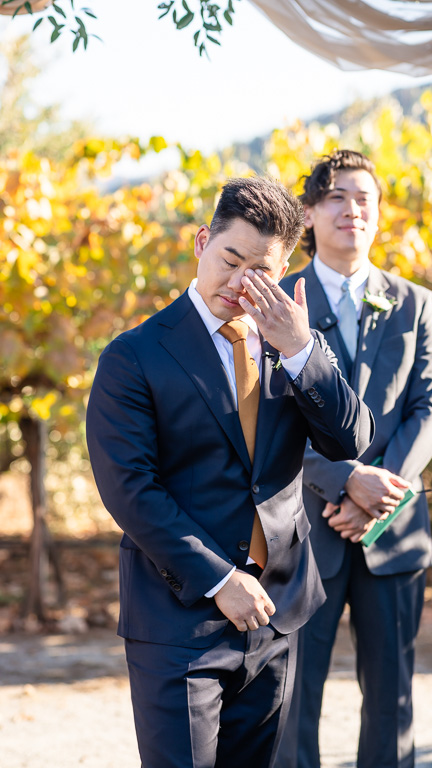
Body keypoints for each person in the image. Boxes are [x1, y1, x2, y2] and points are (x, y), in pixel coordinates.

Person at [86, 176, 374, 768]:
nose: (241, 282)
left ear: (285, 269)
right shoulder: (133, 356)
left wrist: (300, 351)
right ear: (200, 243)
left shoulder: (292, 344)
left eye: (260, 271)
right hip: (178, 621)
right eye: (230, 259)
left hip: (277, 613)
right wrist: (220, 579)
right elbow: (130, 489)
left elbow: (351, 439)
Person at [275, 150, 432, 768]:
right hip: (305, 533)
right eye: (337, 197)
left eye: (364, 198)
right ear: (311, 213)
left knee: (391, 700)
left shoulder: (414, 303)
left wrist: (381, 494)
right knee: (294, 700)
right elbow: (271, 421)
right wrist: (345, 480)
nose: (353, 209)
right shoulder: (279, 305)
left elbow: (428, 409)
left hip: (394, 530)